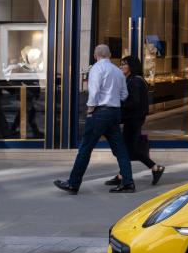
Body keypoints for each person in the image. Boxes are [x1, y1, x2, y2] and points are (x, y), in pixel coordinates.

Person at [54, 44, 134, 194]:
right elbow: (124, 95)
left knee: (85, 148)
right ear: (109, 55)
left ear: (95, 55)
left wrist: (90, 109)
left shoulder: (97, 68)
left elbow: (95, 90)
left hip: (100, 112)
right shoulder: (118, 71)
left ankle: (73, 183)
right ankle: (128, 182)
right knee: (120, 149)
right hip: (114, 112)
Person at [105, 55, 164, 187]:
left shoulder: (135, 82)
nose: (121, 67)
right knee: (128, 148)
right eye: (120, 64)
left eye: (124, 64)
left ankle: (154, 168)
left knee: (128, 149)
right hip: (133, 119)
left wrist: (118, 103)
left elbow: (134, 102)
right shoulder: (133, 80)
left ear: (131, 66)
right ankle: (126, 174)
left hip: (134, 119)